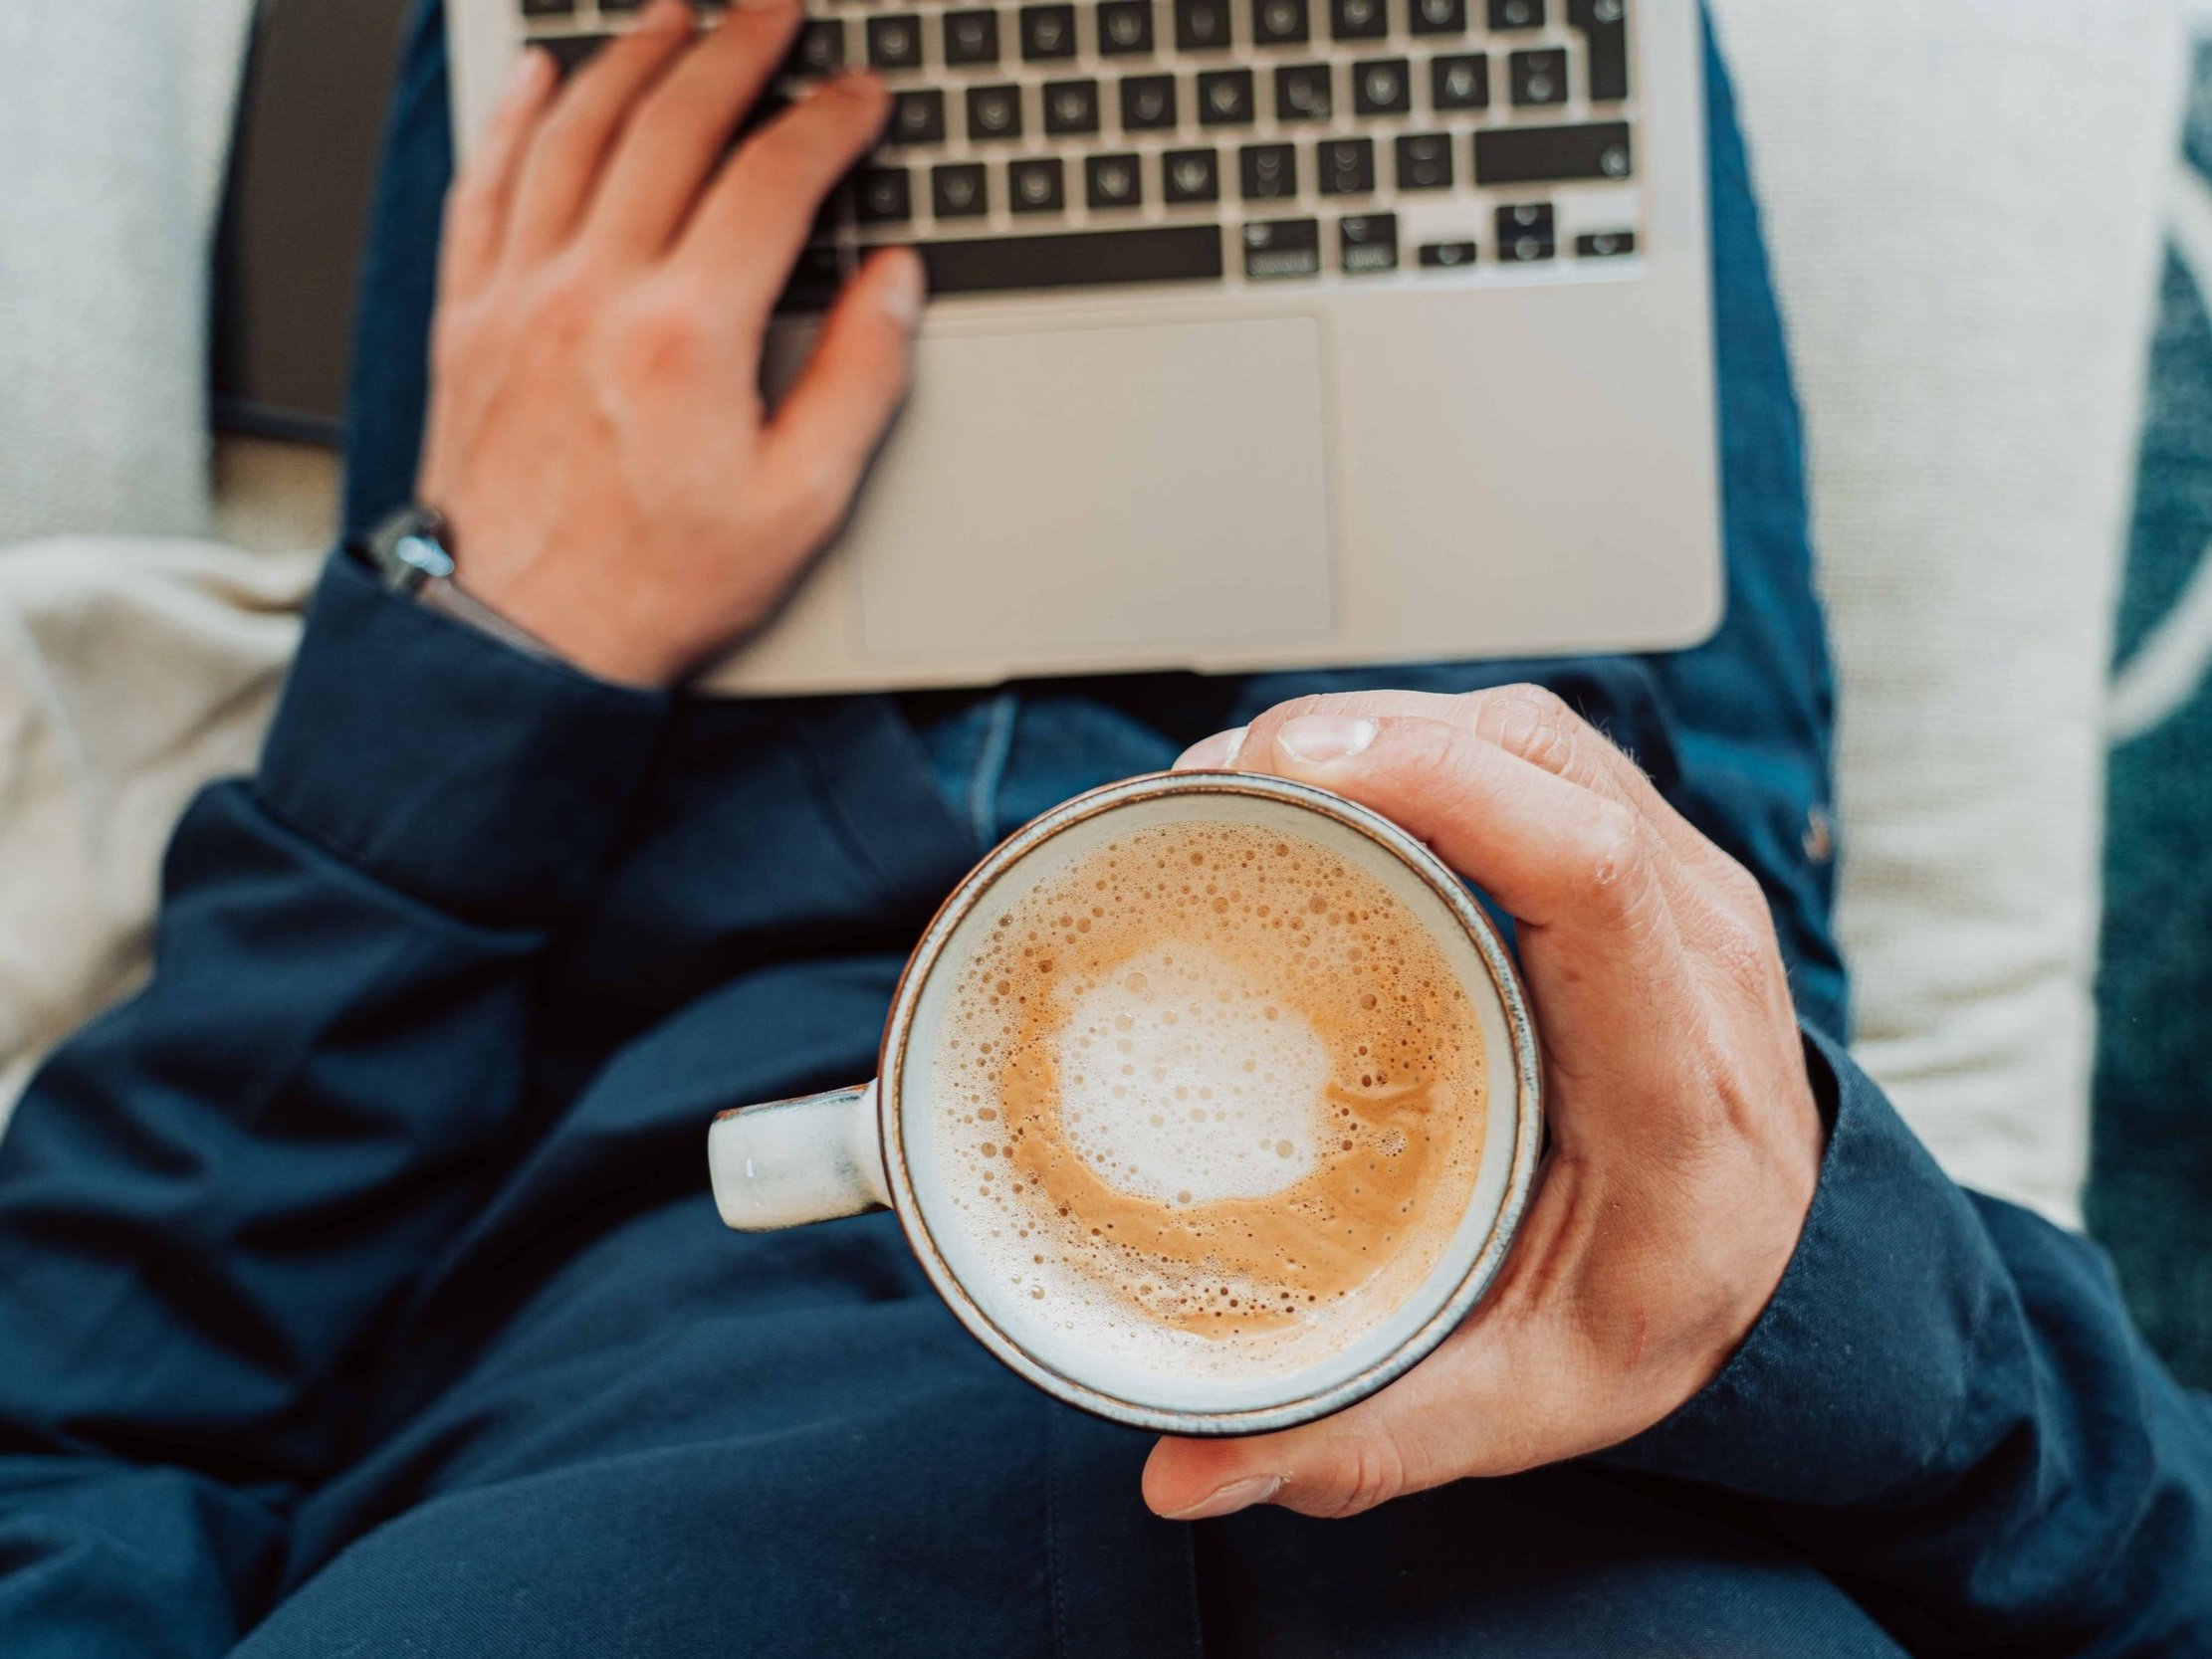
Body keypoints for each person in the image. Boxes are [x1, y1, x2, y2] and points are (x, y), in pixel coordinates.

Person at [2, 1, 2207, 1652]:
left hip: (587, 803)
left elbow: (64, 1464)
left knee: (670, 84)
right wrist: (1828, 1305)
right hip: (1545, 956)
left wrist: (480, 656)